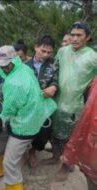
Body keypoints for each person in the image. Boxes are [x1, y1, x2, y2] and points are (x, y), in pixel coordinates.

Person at [0, 46, 57, 190]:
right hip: (35, 117)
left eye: (6, 65)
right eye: (1, 65)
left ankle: (14, 186)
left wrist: (0, 120)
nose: (4, 68)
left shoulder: (13, 83)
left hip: (23, 126)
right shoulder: (24, 68)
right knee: (15, 156)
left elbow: (10, 108)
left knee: (9, 162)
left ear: (14, 59)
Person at [48, 21, 97, 180]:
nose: (74, 38)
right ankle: (55, 156)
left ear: (87, 37)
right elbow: (54, 71)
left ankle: (66, 166)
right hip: (56, 101)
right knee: (54, 132)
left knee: (72, 138)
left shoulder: (93, 56)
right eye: (72, 35)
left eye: (79, 35)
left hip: (76, 105)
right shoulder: (62, 51)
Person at [25, 35, 58, 168]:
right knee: (27, 129)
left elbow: (57, 79)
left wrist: (54, 86)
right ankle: (24, 149)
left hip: (46, 106)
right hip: (29, 105)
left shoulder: (54, 63)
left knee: (44, 131)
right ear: (36, 47)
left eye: (49, 52)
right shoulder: (25, 65)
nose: (45, 55)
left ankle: (33, 150)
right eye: (43, 51)